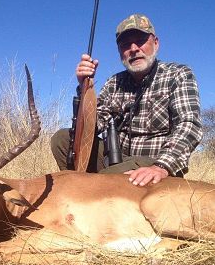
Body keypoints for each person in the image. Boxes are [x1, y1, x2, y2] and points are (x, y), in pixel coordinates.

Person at [51, 14, 202, 186]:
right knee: (62, 139)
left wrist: (161, 166)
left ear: (156, 43)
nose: (133, 48)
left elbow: (189, 125)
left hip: (154, 163)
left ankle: (88, 191)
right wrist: (85, 88)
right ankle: (87, 189)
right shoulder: (114, 82)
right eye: (125, 44)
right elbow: (92, 126)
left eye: (140, 41)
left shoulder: (178, 74)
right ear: (119, 51)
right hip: (117, 161)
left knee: (108, 176)